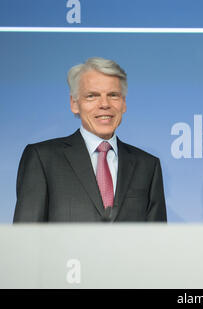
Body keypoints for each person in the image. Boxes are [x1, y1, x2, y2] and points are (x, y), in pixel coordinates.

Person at [14, 57, 167, 222]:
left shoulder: (148, 166)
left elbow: (157, 242)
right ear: (74, 103)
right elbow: (25, 239)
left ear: (124, 103)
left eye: (113, 95)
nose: (104, 104)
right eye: (92, 96)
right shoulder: (42, 158)